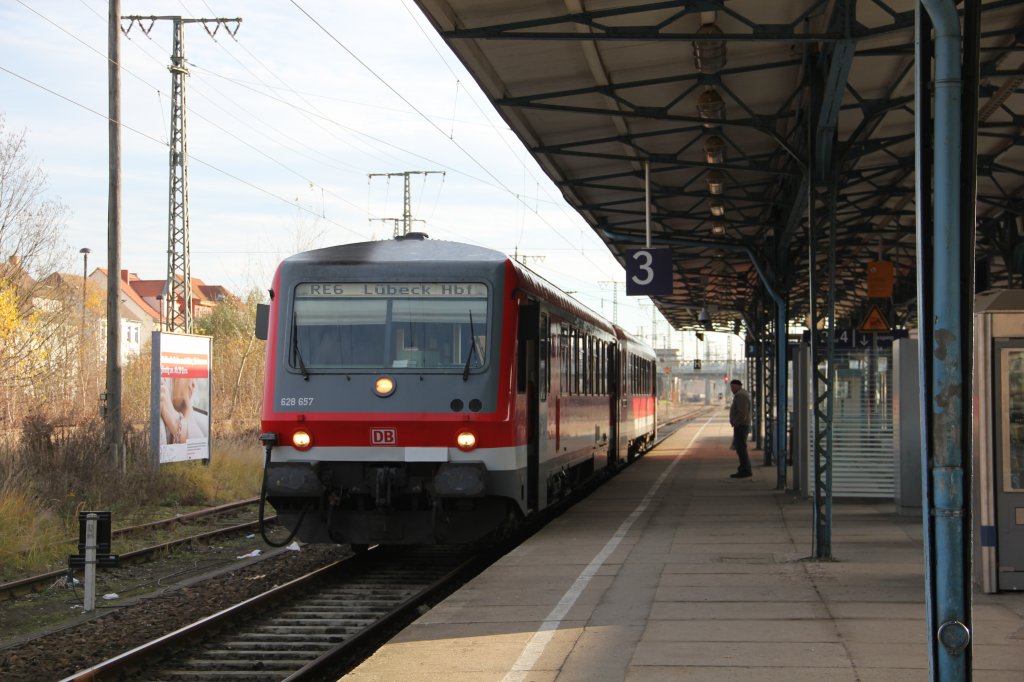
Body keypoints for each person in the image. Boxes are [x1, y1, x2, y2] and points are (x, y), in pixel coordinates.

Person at [159, 377, 210, 444]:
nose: (194, 385)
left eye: (196, 380)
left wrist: (179, 420)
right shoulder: (160, 389)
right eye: (193, 376)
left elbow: (200, 443)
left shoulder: (187, 411)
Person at [728, 379, 752, 478]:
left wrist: (736, 422)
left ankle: (745, 470)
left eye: (733, 387)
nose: (732, 389)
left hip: (741, 425)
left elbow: (742, 412)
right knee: (740, 448)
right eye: (731, 387)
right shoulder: (741, 394)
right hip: (741, 425)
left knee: (741, 449)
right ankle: (744, 469)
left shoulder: (741, 395)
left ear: (739, 386)